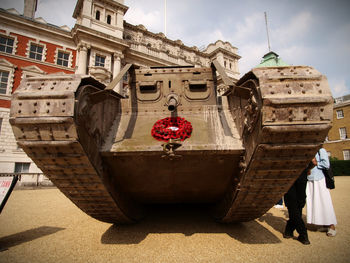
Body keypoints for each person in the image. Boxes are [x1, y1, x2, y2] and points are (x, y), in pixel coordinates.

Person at [306, 147, 337, 237]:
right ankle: (323, 224)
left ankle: (332, 226)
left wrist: (317, 163)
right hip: (310, 180)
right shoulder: (308, 151)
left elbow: (326, 164)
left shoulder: (321, 150)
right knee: (314, 202)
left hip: (319, 179)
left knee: (324, 202)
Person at [283, 162, 313, 245]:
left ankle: (302, 233)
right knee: (299, 203)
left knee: (293, 204)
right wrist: (309, 168)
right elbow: (314, 161)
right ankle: (289, 230)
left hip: (287, 172)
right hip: (302, 171)